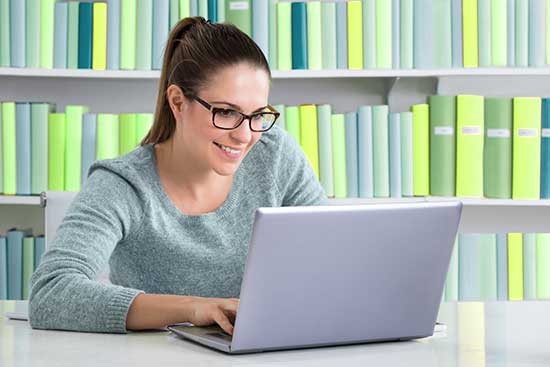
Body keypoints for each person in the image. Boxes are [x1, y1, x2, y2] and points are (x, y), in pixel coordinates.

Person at [29, 17, 326, 335]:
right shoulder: (123, 185)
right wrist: (193, 308)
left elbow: (333, 251)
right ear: (178, 102)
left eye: (257, 115)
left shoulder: (274, 154)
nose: (245, 135)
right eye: (226, 112)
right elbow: (50, 293)